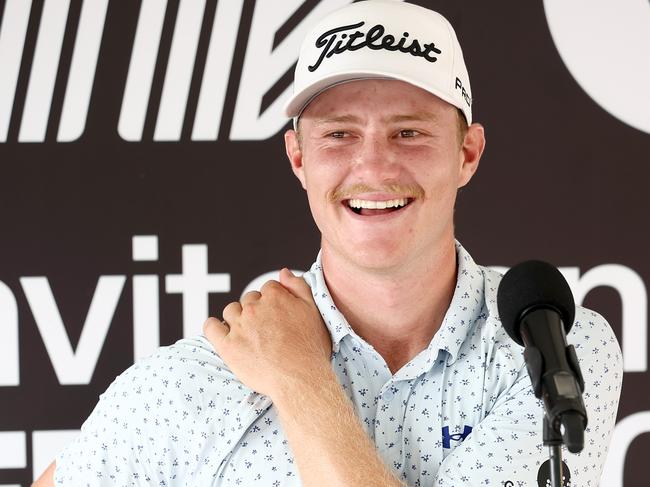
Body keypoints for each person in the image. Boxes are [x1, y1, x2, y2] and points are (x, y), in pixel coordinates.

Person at [34, 1, 622, 485]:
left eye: (409, 131)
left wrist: (300, 380)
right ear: (298, 158)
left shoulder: (550, 350)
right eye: (339, 134)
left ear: (467, 153)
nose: (373, 165)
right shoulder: (200, 380)